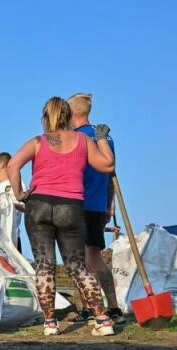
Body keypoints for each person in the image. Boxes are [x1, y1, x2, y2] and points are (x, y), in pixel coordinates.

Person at [8, 97, 116, 337]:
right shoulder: (83, 141)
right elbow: (108, 165)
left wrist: (20, 194)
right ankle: (103, 319)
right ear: (68, 116)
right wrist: (101, 138)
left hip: (38, 205)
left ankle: (50, 324)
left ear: (46, 118)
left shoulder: (38, 142)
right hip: (71, 206)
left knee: (44, 265)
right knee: (77, 266)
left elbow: (13, 165)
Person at [68, 92, 126, 324]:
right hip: (99, 204)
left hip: (78, 203)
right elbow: (111, 172)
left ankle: (88, 308)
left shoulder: (75, 138)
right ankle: (112, 307)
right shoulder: (105, 139)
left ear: (71, 114)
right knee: (96, 257)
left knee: (78, 259)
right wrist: (109, 204)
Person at [0, 152, 26, 251]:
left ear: (2, 165)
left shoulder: (16, 183)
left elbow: (27, 208)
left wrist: (11, 205)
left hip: (11, 239)